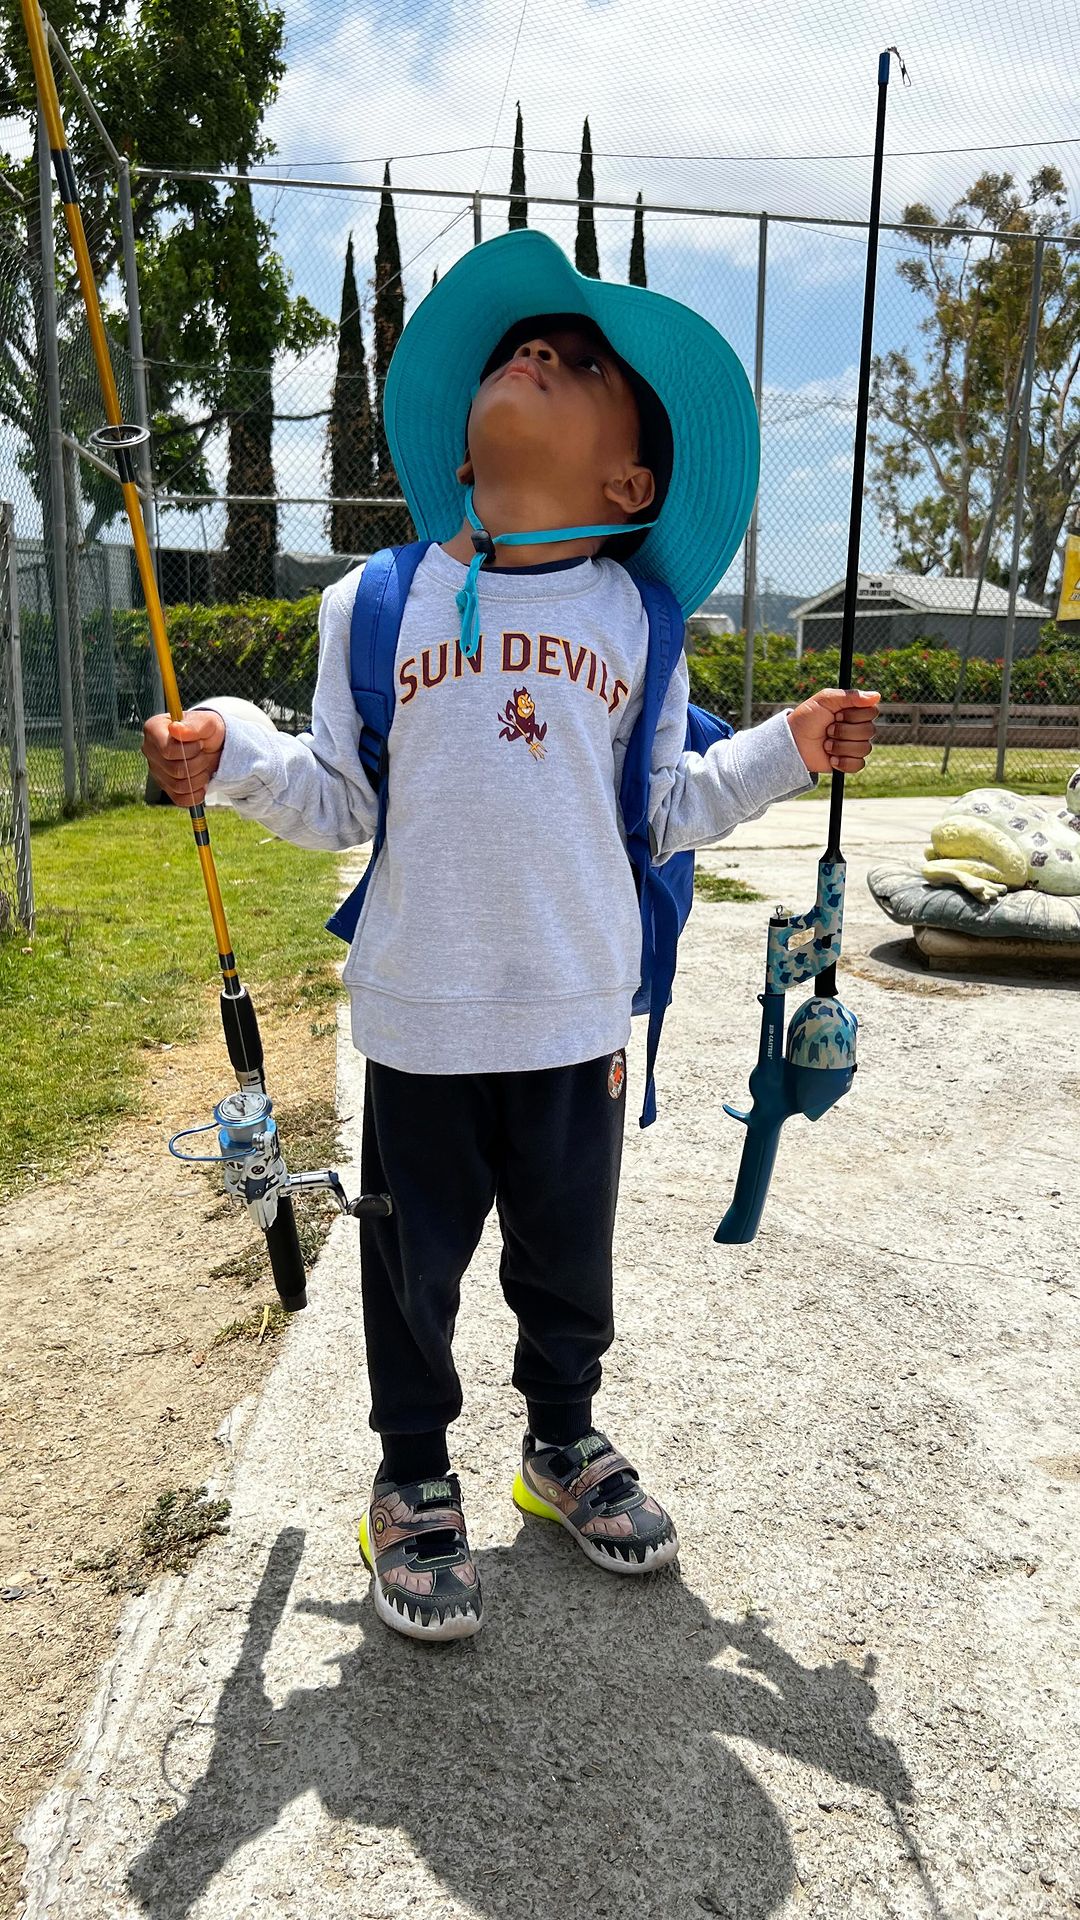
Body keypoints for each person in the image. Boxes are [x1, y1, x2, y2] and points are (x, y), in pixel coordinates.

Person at [143, 230, 878, 1645]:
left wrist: (789, 744)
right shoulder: (374, 603)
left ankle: (561, 1442)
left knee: (565, 1257)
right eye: (517, 349)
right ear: (463, 450)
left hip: (576, 1011)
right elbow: (339, 796)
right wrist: (228, 748)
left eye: (579, 362)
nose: (535, 352)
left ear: (630, 485)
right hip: (418, 1015)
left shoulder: (638, 619)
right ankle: (413, 1476)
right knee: (408, 1269)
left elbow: (665, 808)